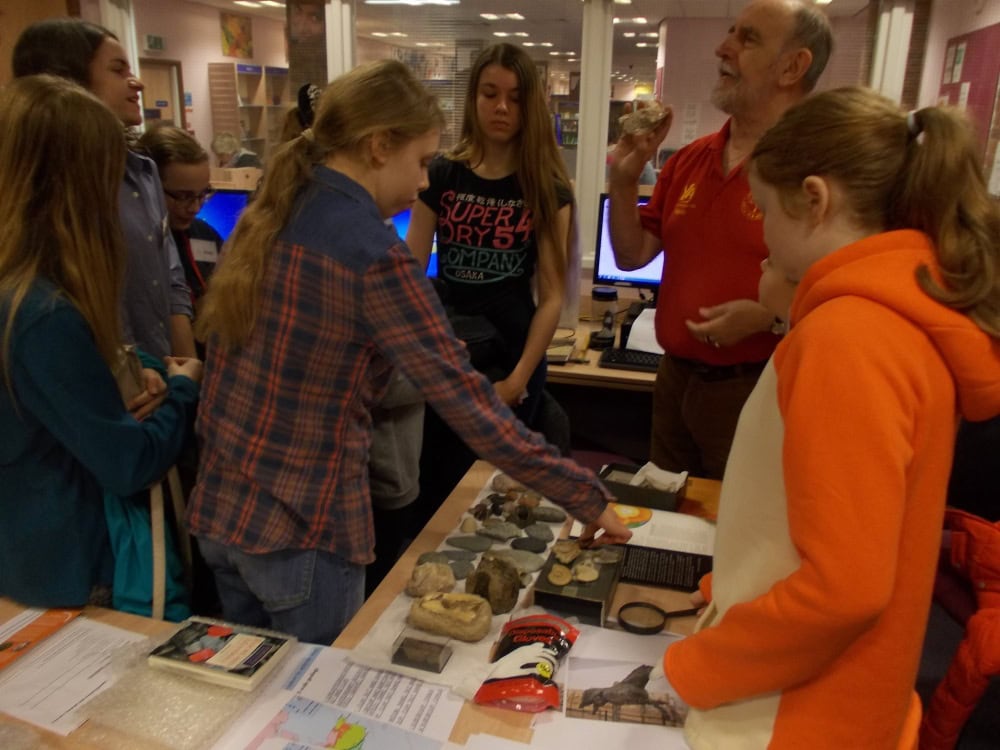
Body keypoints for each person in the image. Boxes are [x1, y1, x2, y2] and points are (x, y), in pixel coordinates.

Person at [188, 59, 631, 644]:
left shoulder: (275, 208)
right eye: (421, 162)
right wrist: (585, 494)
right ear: (377, 147)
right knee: (308, 713)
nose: (426, 182)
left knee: (245, 706)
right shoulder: (373, 253)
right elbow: (468, 402)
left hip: (222, 517)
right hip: (303, 532)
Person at [663, 86, 1000, 749]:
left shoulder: (850, 338)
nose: (760, 232)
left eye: (763, 210)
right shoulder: (892, 322)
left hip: (794, 716)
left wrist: (698, 666)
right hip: (844, 700)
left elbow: (844, 588)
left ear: (814, 200)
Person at [0, 75, 202, 609]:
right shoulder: (41, 313)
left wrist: (132, 370)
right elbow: (127, 462)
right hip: (72, 570)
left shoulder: (20, 292)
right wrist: (182, 390)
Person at [607, 0, 832, 478]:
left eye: (747, 39)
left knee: (736, 537)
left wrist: (772, 320)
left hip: (757, 388)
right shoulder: (689, 158)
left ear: (793, 66)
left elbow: (846, 298)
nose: (722, 48)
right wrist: (624, 181)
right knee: (662, 529)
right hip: (674, 381)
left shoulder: (820, 169)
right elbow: (631, 256)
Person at [405, 42, 576, 529]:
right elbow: (411, 274)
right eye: (490, 94)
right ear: (473, 99)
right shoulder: (441, 174)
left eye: (516, 98)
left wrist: (518, 380)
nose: (502, 107)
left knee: (504, 502)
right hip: (451, 350)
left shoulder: (544, 184)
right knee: (439, 495)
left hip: (511, 352)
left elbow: (553, 298)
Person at [12, 18, 197, 363]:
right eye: (118, 70)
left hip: (162, 380)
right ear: (69, 81)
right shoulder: (44, 184)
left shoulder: (143, 171)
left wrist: (186, 369)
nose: (137, 82)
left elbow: (169, 279)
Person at [138, 125, 223, 305]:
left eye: (202, 194)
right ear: (148, 186)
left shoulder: (205, 234)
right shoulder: (135, 246)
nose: (195, 208)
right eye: (183, 197)